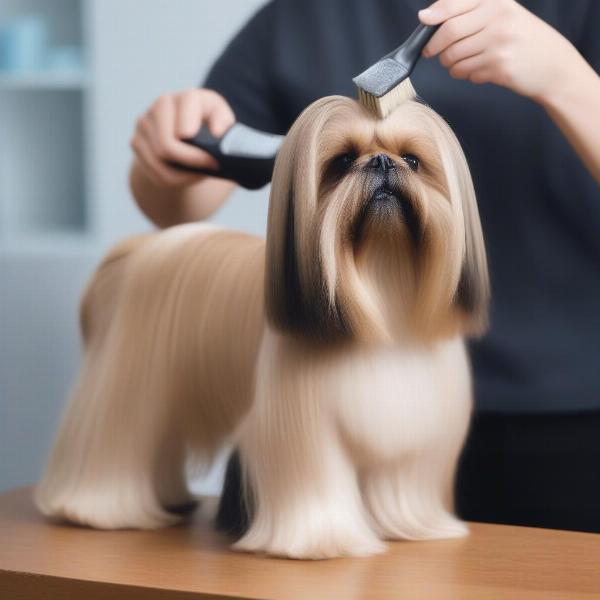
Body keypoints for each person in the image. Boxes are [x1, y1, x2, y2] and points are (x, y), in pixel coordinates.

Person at [129, 0, 600, 533]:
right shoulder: (300, 17)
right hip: (317, 414)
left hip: (572, 426)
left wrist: (567, 79)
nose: (381, 169)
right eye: (345, 161)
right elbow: (182, 200)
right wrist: (167, 153)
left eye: (412, 161)